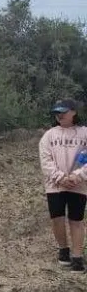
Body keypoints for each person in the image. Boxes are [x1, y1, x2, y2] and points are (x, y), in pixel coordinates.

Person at [39, 98, 87, 271]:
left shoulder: (84, 133)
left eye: (63, 112)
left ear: (74, 112)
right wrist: (60, 177)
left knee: (76, 220)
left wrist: (77, 176)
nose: (59, 116)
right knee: (57, 218)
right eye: (57, 113)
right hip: (55, 185)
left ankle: (77, 257)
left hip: (79, 185)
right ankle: (63, 250)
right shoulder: (49, 135)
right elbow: (46, 161)